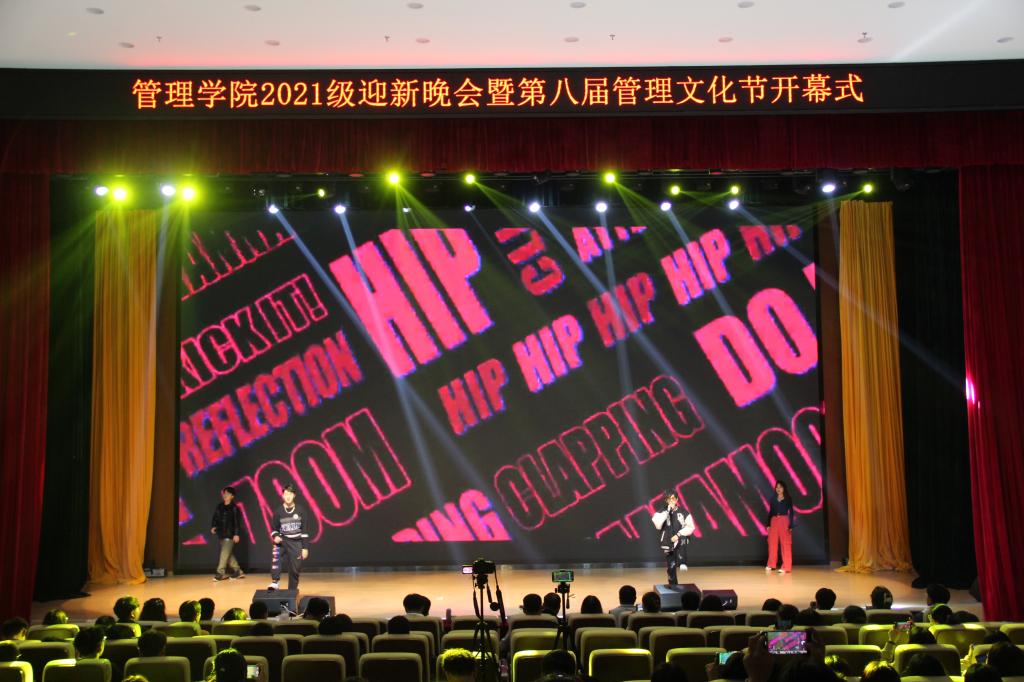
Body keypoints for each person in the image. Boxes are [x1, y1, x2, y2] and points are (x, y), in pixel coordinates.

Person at [267, 483, 309, 591]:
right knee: (276, 554)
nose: (288, 496)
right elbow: (274, 529)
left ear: (294, 495)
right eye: (286, 494)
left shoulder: (301, 511)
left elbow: (304, 531)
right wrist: (276, 536)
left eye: (290, 494)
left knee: (295, 569)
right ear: (282, 496)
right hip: (283, 540)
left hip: (296, 542)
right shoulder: (278, 512)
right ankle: (275, 582)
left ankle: (292, 591)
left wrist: (305, 548)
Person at [651, 491, 695, 585]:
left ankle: (682, 562)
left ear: (677, 499)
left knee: (682, 539)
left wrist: (678, 535)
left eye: (673, 498)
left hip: (680, 538)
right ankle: (673, 584)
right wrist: (667, 511)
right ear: (666, 500)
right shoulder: (661, 511)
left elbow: (690, 527)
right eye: (669, 499)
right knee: (671, 565)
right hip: (668, 541)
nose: (671, 501)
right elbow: (658, 525)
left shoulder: (683, 512)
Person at [212, 486, 245, 581]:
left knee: (224, 554)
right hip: (221, 534)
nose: (225, 495)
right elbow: (215, 517)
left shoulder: (234, 508)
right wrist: (214, 526)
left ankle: (220, 573)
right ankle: (238, 571)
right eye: (224, 493)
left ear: (232, 496)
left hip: (230, 534)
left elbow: (237, 522)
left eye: (227, 493)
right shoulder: (220, 506)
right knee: (228, 554)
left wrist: (236, 534)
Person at [765, 481, 794, 573]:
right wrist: (768, 524)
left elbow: (791, 512)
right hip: (774, 520)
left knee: (785, 544)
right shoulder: (773, 499)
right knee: (772, 543)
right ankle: (771, 564)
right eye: (777, 487)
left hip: (784, 520)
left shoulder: (788, 498)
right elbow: (770, 512)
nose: (778, 489)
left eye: (780, 487)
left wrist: (791, 525)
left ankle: (786, 566)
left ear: (784, 488)